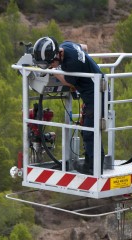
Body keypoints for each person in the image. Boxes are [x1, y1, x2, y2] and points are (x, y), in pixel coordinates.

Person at [32, 36, 104, 175]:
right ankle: (90, 163)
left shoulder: (70, 64)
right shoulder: (67, 45)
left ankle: (94, 168)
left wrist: (54, 72)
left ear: (56, 56)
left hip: (96, 95)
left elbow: (69, 82)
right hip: (96, 91)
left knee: (90, 133)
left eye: (50, 64)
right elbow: (84, 47)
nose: (51, 66)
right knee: (87, 130)